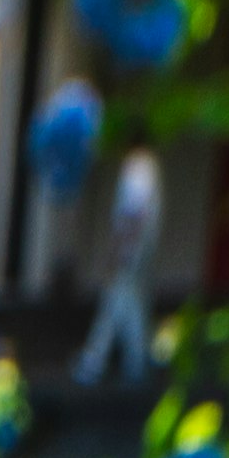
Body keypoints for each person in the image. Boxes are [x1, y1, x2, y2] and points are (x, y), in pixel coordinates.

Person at [81, 137, 161, 379]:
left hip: (130, 250)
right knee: (128, 305)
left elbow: (133, 213)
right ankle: (134, 363)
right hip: (138, 250)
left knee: (116, 300)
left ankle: (94, 363)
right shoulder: (148, 166)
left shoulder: (138, 167)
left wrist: (117, 249)